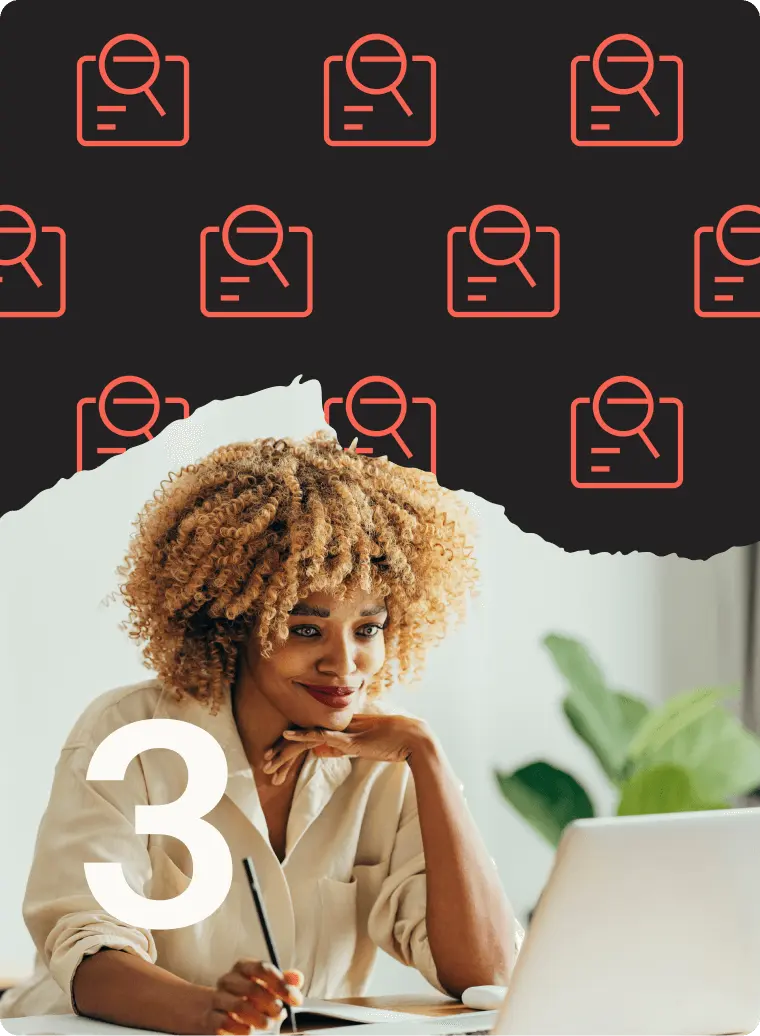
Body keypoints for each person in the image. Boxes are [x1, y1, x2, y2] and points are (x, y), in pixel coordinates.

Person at [0, 434, 524, 1035]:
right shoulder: (129, 735)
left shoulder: (390, 762)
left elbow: (486, 974)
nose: (344, 663)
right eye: (306, 629)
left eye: (367, 629)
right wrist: (209, 1011)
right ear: (234, 622)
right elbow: (87, 954)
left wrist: (426, 756)